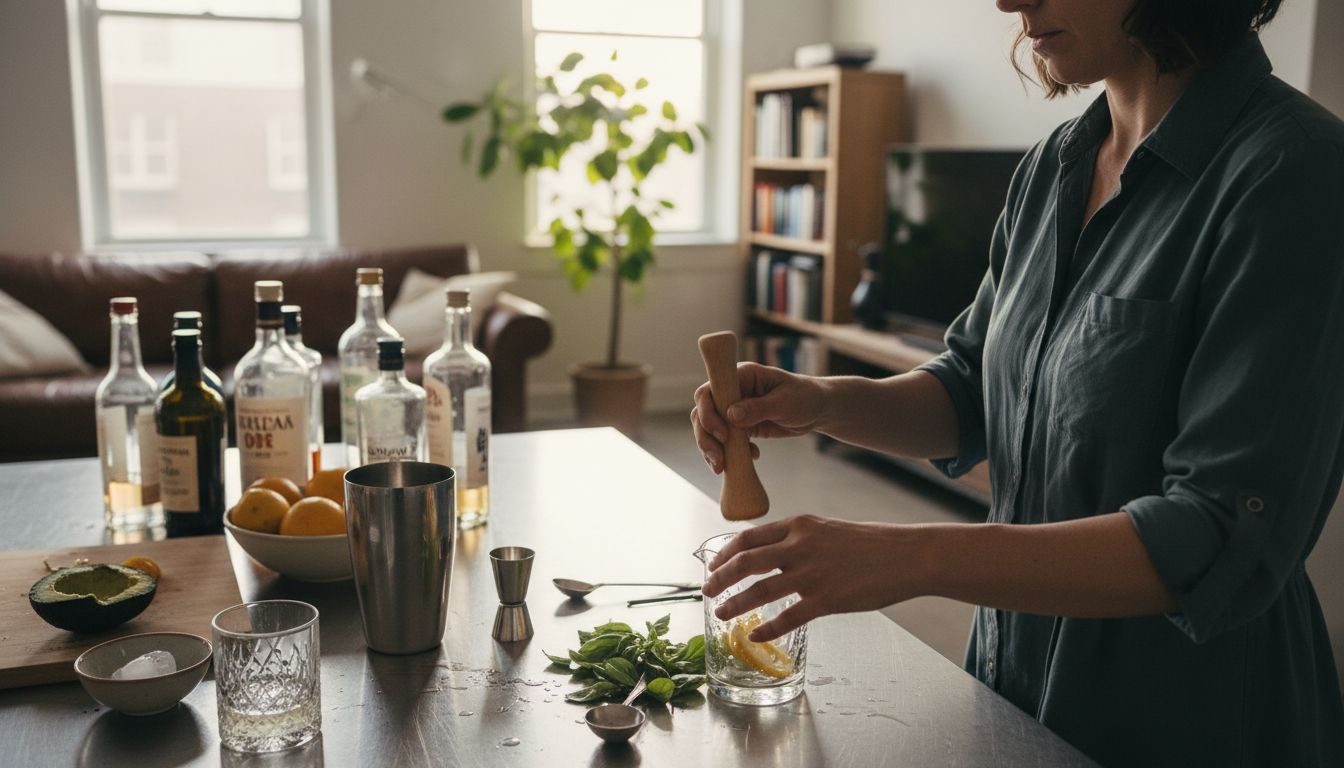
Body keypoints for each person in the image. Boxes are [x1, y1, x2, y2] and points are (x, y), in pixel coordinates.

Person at [692, 0, 1344, 764]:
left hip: (1187, 714)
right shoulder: (1055, 165)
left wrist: (908, 556)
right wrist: (821, 402)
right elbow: (971, 387)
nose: (1008, 1)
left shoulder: (1295, 173)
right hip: (1013, 674)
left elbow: (1217, 533)